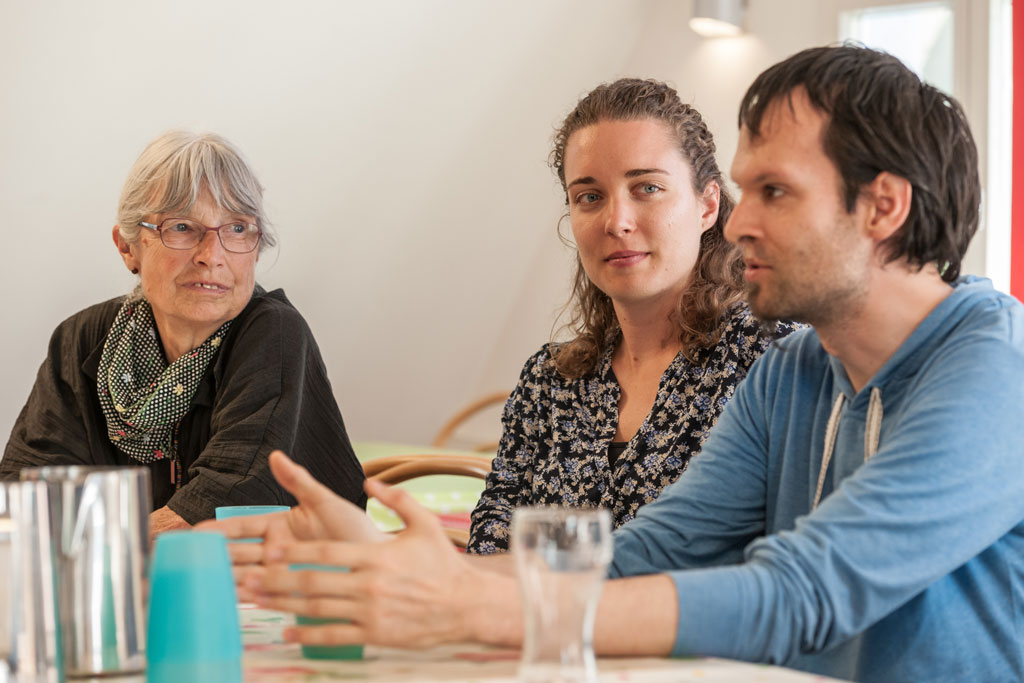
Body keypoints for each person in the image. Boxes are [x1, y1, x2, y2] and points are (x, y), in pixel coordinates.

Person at [203, 46, 1024, 683]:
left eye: (774, 192)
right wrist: (396, 565)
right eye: (745, 192)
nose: (740, 224)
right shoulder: (796, 371)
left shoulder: (996, 368)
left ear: (883, 206)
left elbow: (800, 591)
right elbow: (638, 552)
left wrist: (473, 606)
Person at [468, 79, 798, 553]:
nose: (616, 221)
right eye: (589, 196)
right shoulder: (548, 382)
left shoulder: (773, 356)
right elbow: (493, 541)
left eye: (647, 188)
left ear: (707, 205)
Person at [2, 131, 366, 533]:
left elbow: (230, 495)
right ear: (127, 247)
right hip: (126, 568)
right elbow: (26, 492)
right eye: (181, 227)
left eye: (238, 228)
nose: (212, 256)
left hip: (277, 571)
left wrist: (102, 549)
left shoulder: (273, 334)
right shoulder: (82, 339)